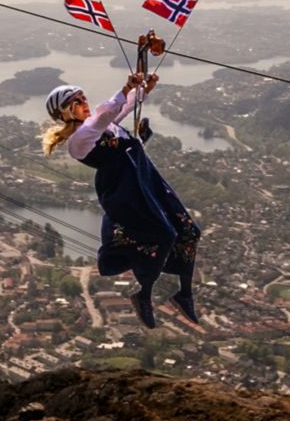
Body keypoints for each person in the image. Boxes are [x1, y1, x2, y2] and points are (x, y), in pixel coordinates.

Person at [43, 72, 200, 328]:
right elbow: (105, 117)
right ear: (64, 113)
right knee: (164, 235)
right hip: (125, 191)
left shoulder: (100, 122)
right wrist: (127, 88)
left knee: (189, 231)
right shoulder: (78, 140)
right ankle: (144, 296)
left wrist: (143, 90)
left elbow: (121, 109)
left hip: (146, 180)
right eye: (75, 102)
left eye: (83, 97)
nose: (84, 103)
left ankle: (185, 293)